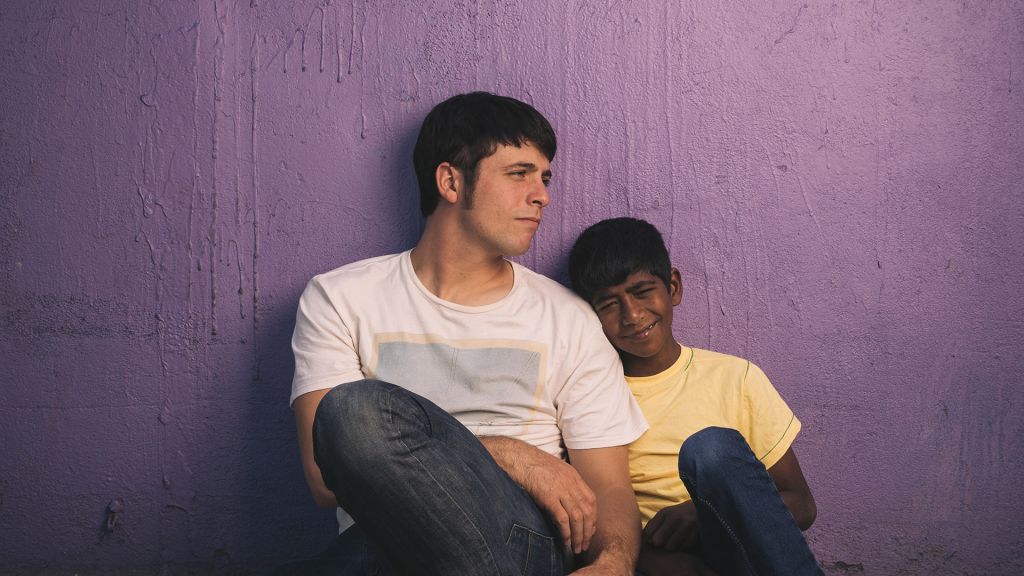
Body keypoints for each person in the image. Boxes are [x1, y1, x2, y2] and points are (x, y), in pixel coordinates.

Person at [287, 93, 648, 575]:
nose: (542, 195)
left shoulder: (568, 317)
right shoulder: (339, 298)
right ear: (451, 181)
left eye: (544, 178)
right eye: (519, 174)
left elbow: (608, 485)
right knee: (352, 413)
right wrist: (511, 455)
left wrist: (615, 561)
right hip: (387, 536)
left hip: (521, 536)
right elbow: (324, 475)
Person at [568, 217, 821, 576]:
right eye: (609, 304)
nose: (632, 315)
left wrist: (703, 513)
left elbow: (802, 505)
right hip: (655, 562)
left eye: (642, 292)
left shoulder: (736, 378)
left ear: (673, 287)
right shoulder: (590, 397)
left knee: (710, 448)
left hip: (742, 554)